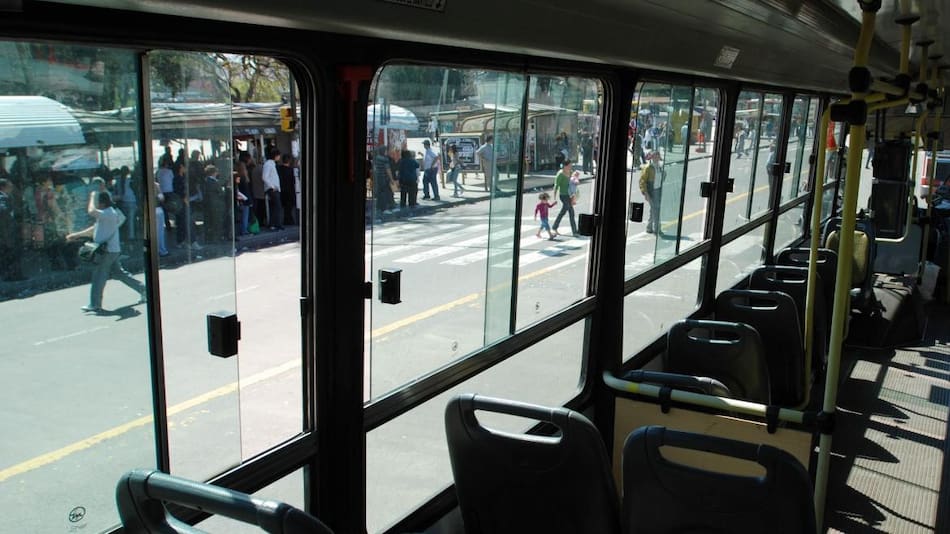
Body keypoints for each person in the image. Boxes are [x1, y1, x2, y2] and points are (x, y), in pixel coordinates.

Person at [67, 191, 145, 313]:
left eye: (98, 202)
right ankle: (143, 289)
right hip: (111, 250)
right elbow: (94, 229)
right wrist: (76, 235)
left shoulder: (108, 213)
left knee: (98, 276)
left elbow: (91, 211)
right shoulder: (106, 214)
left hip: (107, 251)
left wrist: (92, 196)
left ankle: (95, 304)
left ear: (102, 203)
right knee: (119, 274)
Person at [0, 178, 25, 281]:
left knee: (9, 256)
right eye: (9, 186)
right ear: (3, 187)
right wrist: (11, 216)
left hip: (7, 233)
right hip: (6, 233)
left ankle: (11, 275)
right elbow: (3, 211)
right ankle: (14, 276)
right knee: (11, 255)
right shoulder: (2, 198)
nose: (11, 188)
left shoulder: (6, 196)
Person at [552, 160, 578, 237]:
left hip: (570, 195)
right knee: (569, 210)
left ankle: (555, 227)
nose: (571, 167)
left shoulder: (570, 172)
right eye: (569, 166)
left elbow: (574, 180)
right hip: (563, 195)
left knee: (568, 212)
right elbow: (556, 186)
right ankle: (574, 231)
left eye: (571, 166)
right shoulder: (560, 174)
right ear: (565, 166)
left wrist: (576, 178)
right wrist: (554, 198)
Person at [262, 146, 283, 230]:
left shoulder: (271, 164)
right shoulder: (268, 164)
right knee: (277, 206)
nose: (279, 157)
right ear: (275, 156)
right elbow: (264, 177)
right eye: (278, 155)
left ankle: (273, 224)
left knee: (275, 206)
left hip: (274, 188)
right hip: (272, 188)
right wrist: (272, 186)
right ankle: (276, 224)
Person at [640, 150, 660, 233]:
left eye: (658, 156)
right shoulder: (648, 167)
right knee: (656, 209)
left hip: (658, 190)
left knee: (653, 209)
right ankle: (656, 228)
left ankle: (649, 227)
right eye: (655, 156)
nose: (656, 158)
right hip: (651, 191)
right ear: (651, 157)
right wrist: (645, 193)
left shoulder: (659, 166)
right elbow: (642, 181)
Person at [372, 145, 396, 215]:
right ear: (384, 151)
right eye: (386, 150)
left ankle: (379, 207)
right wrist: (391, 179)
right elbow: (388, 170)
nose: (387, 152)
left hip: (378, 177)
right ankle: (384, 208)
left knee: (380, 192)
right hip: (384, 178)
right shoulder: (385, 159)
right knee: (384, 193)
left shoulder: (376, 158)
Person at [278, 154, 296, 225]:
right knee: (289, 207)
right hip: (290, 190)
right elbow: (293, 181)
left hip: (282, 190)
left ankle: (287, 219)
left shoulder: (279, 169)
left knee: (285, 207)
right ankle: (288, 220)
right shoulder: (291, 170)